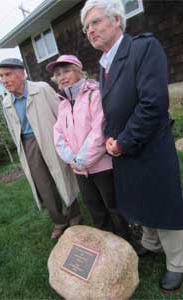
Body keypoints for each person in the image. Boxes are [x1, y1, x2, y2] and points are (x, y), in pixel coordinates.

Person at [81, 0, 183, 293]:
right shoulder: (104, 65)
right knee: (139, 198)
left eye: (95, 22)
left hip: (150, 145)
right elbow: (113, 110)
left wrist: (123, 142)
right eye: (86, 27)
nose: (89, 30)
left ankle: (177, 262)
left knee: (161, 201)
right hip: (123, 147)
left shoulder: (143, 48)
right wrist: (109, 138)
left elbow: (153, 104)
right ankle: (151, 244)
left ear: (117, 20)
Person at [0, 58, 81, 240]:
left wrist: (67, 140)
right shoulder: (6, 102)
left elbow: (61, 114)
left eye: (8, 74)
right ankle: (59, 221)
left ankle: (74, 215)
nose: (4, 80)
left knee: (62, 174)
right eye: (1, 76)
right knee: (43, 184)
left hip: (51, 138)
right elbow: (13, 128)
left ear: (21, 73)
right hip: (28, 144)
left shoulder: (41, 89)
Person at [46, 54, 128, 237]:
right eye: (58, 74)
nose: (62, 76)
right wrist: (71, 159)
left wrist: (81, 160)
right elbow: (58, 134)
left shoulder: (94, 95)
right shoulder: (63, 104)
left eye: (66, 71)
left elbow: (98, 131)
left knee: (113, 206)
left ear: (77, 71)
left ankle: (127, 243)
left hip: (101, 166)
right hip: (79, 169)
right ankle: (107, 242)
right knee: (95, 208)